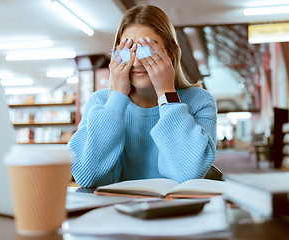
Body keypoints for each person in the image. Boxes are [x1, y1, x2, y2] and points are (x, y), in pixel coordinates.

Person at [68, 5, 218, 187]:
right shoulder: (101, 102)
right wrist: (117, 96)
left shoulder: (199, 101)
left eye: (147, 50)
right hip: (115, 210)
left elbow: (188, 174)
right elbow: (87, 177)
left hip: (175, 211)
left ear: (169, 55)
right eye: (127, 50)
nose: (137, 62)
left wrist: (166, 93)